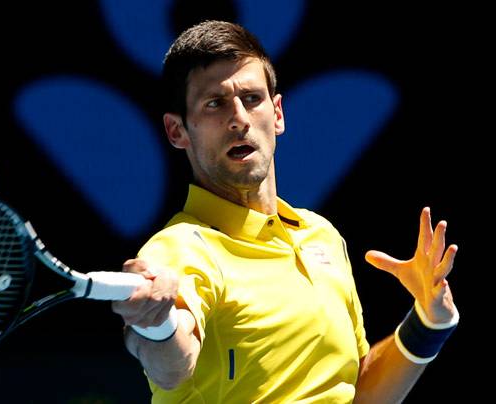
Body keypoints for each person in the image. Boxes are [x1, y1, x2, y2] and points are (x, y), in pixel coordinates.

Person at [112, 20, 459, 403]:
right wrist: (156, 326)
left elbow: (358, 390)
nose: (239, 119)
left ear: (277, 114)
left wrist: (429, 322)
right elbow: (173, 367)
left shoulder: (320, 235)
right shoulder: (180, 249)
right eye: (215, 103)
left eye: (251, 98)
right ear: (177, 131)